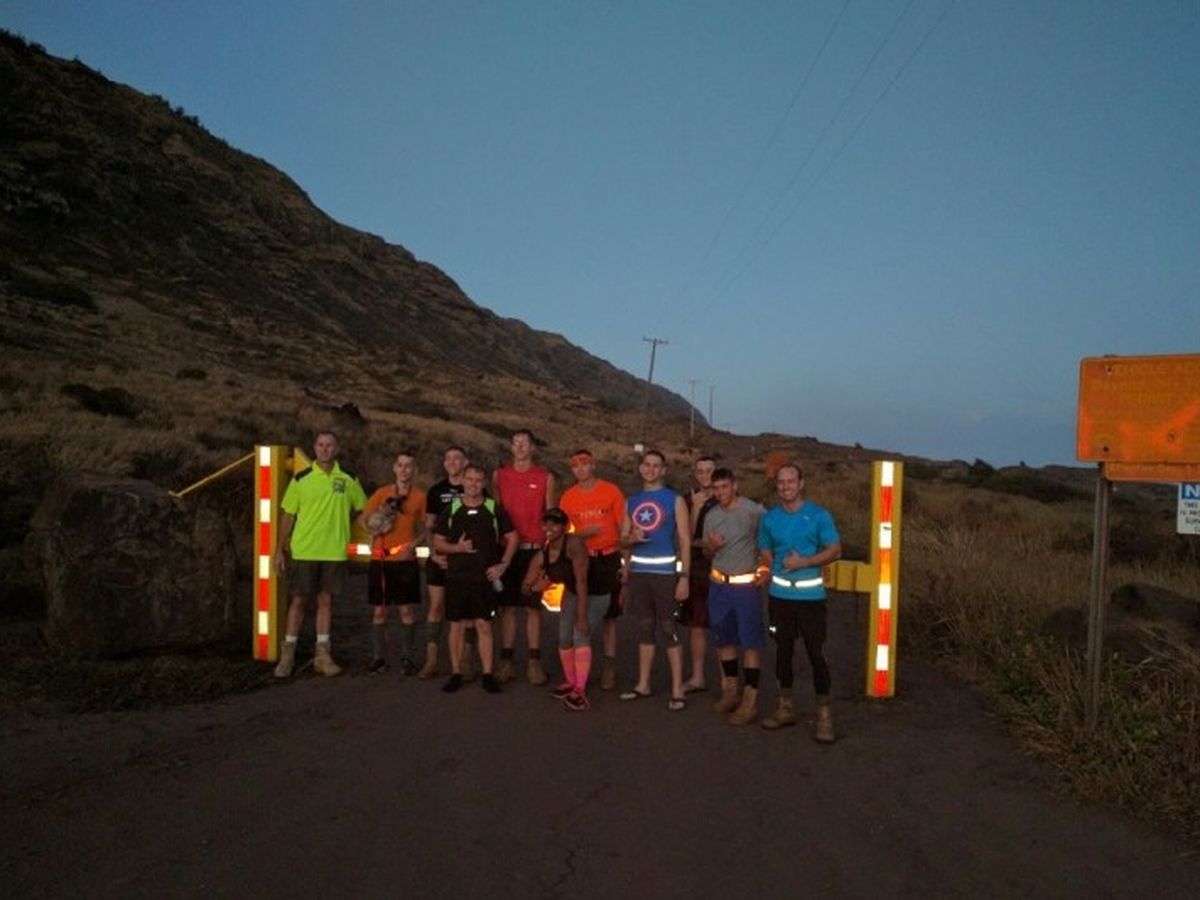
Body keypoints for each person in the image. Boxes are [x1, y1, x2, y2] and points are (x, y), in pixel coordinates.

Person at [755, 463, 842, 741]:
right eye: (781, 482)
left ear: (801, 483)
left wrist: (804, 562)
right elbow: (764, 546)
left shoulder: (818, 516)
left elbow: (834, 549)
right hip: (780, 598)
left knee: (817, 655)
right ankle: (785, 707)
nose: (786, 486)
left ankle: (824, 716)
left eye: (791, 481)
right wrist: (776, 565)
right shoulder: (770, 518)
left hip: (810, 599)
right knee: (783, 652)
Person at [273, 430, 367, 678]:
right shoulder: (301, 479)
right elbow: (288, 515)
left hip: (334, 552)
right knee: (298, 602)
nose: (325, 449)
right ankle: (287, 655)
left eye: (330, 445)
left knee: (325, 602)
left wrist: (376, 527)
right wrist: (279, 549)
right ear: (315, 448)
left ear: (337, 449)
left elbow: (362, 511)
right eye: (321, 445)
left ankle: (322, 656)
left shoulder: (348, 478)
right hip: (304, 550)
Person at [432, 464, 517, 694]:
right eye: (469, 479)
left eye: (478, 480)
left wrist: (503, 564)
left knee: (483, 625)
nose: (473, 484)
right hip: (457, 577)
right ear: (462, 481)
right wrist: (457, 548)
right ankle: (456, 673)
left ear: (484, 483)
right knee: (457, 626)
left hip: (483, 578)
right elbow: (438, 541)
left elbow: (512, 537)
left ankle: (487, 674)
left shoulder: (493, 508)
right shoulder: (452, 509)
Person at [618, 449, 691, 711]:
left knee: (668, 628)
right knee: (645, 626)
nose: (651, 469)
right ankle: (643, 684)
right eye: (647, 465)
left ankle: (677, 689)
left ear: (663, 470)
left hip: (665, 575)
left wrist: (684, 577)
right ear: (640, 468)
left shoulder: (675, 500)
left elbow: (684, 540)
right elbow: (623, 540)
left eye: (656, 465)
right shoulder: (632, 501)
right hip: (639, 574)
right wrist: (631, 542)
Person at [557, 449, 626, 691]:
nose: (580, 468)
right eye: (575, 465)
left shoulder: (611, 491)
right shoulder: (568, 497)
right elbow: (562, 534)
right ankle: (577, 672)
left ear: (593, 465)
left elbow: (624, 528)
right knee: (580, 613)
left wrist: (626, 563)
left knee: (610, 617)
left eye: (584, 463)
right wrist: (583, 534)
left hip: (608, 558)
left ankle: (609, 666)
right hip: (582, 559)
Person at [702, 468, 766, 725]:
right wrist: (712, 546)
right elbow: (706, 553)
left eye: (725, 487)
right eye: (716, 488)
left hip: (745, 587)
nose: (720, 493)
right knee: (723, 639)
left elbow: (769, 543)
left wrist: (766, 568)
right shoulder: (712, 515)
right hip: (719, 585)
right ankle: (731, 691)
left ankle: (750, 700)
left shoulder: (754, 512)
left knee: (750, 643)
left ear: (735, 486)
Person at [492, 429, 556, 685]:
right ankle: (506, 662)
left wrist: (549, 553)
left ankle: (534, 663)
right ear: (511, 447)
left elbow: (550, 516)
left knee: (532, 607)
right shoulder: (500, 475)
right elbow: (496, 512)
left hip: (533, 550)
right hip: (507, 549)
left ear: (532, 448)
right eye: (515, 443)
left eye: (524, 443)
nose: (519, 447)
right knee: (507, 607)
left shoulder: (545, 477)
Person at [521, 507, 598, 710]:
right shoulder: (543, 555)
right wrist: (535, 587)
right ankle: (571, 682)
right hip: (572, 592)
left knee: (580, 635)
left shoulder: (574, 544)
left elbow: (582, 581)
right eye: (546, 523)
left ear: (564, 527)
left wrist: (581, 616)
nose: (549, 528)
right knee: (564, 637)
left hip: (594, 591)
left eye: (555, 524)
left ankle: (580, 690)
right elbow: (525, 586)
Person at [359, 450, 426, 675]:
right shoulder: (381, 493)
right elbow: (364, 520)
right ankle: (379, 658)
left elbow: (429, 527)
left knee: (406, 610)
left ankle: (408, 658)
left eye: (409, 466)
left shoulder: (420, 497)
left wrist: (413, 545)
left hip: (404, 561)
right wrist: (379, 519)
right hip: (380, 560)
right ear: (394, 468)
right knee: (380, 612)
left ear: (414, 470)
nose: (404, 469)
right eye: (400, 465)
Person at [419, 445, 473, 680]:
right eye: (448, 458)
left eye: (457, 458)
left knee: (467, 609)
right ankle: (431, 659)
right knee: (436, 606)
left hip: (465, 559)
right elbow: (429, 526)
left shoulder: (474, 486)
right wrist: (434, 552)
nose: (452, 462)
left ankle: (466, 659)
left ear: (465, 462)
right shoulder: (435, 491)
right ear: (444, 463)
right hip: (439, 557)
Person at [680, 455, 717, 693]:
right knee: (697, 624)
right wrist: (696, 508)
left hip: (722, 567)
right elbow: (686, 537)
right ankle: (697, 676)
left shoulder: (725, 497)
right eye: (700, 471)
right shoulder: (687, 500)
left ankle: (728, 682)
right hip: (696, 568)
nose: (705, 475)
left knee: (722, 625)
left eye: (709, 470)